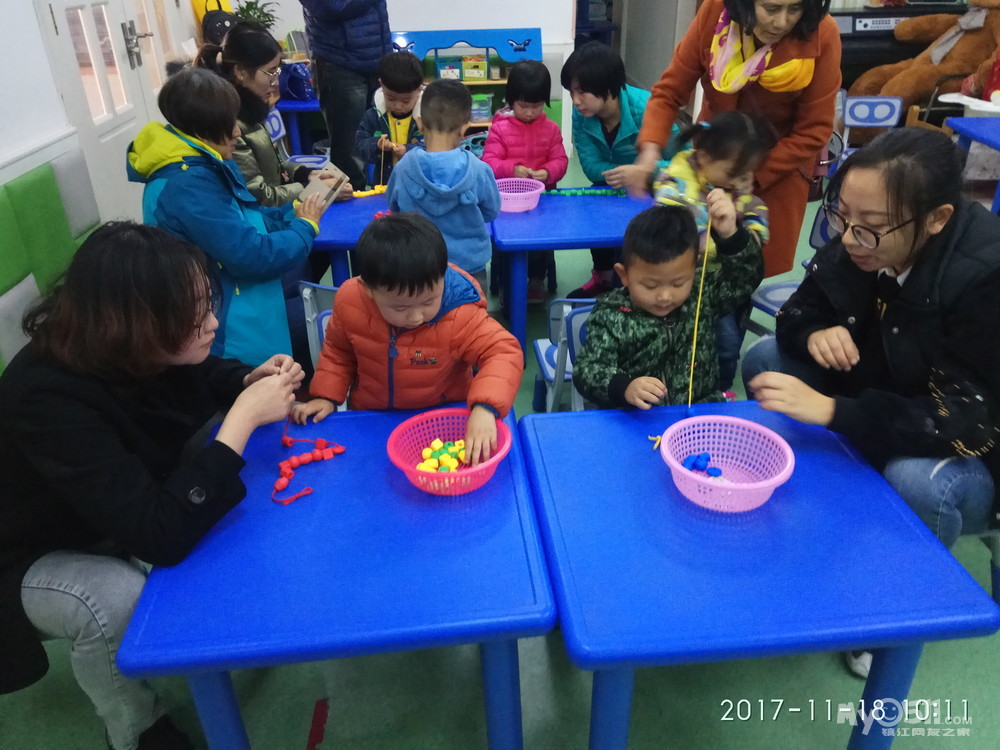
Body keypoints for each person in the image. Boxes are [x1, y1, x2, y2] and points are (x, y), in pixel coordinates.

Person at [0, 222, 302, 750]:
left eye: (207, 305)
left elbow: (193, 374)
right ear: (137, 323)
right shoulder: (44, 397)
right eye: (195, 316)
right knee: (112, 598)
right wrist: (241, 420)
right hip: (24, 552)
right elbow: (157, 535)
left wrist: (244, 381)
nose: (213, 323)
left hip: (100, 514)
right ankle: (137, 730)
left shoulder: (123, 343)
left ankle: (219, 630)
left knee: (217, 486)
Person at [741, 129, 1000, 678]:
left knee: (916, 481)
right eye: (841, 215)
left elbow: (963, 420)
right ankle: (812, 523)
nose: (850, 237)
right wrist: (814, 332)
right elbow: (796, 311)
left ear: (937, 218)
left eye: (870, 226)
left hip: (975, 448)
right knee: (768, 360)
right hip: (888, 399)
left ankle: (891, 617)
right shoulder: (863, 234)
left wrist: (835, 411)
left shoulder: (985, 278)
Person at [127, 66, 328, 368]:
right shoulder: (188, 185)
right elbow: (252, 257)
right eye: (229, 123)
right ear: (203, 128)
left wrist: (296, 208)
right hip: (222, 326)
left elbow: (248, 217)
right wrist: (305, 226)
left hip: (233, 301)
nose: (237, 131)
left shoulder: (203, 161)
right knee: (334, 314)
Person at [292, 213, 523, 464]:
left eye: (428, 302)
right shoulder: (350, 301)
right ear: (369, 290)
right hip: (373, 421)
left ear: (442, 279)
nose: (416, 317)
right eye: (400, 308)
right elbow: (339, 352)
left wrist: (485, 408)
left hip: (443, 423)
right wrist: (326, 396)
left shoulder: (459, 313)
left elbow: (502, 351)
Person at [634, 0, 841, 278]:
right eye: (771, 9)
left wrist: (744, 174)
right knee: (685, 260)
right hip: (713, 160)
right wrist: (649, 152)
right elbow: (669, 92)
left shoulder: (822, 32)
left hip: (775, 169)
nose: (782, 22)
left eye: (795, 9)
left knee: (744, 268)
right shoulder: (714, 12)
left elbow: (814, 130)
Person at [573, 203, 763, 410]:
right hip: (639, 417)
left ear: (694, 268)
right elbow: (588, 369)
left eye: (678, 283)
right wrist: (624, 387)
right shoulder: (611, 315)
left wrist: (731, 236)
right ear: (624, 275)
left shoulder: (703, 294)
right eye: (650, 285)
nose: (665, 296)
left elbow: (745, 278)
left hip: (699, 412)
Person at [652, 111, 772, 392]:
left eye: (747, 174)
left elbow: (755, 227)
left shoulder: (738, 188)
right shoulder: (674, 183)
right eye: (733, 173)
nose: (740, 181)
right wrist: (717, 236)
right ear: (704, 156)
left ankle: (721, 391)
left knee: (727, 345)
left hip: (725, 287)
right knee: (678, 344)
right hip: (683, 287)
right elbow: (675, 232)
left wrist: (745, 235)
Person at [559, 41, 678, 298]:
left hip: (653, 188)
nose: (575, 101)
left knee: (637, 237)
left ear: (606, 85)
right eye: (571, 92)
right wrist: (625, 173)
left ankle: (633, 284)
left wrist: (643, 172)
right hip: (610, 185)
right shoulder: (582, 115)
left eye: (582, 92)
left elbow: (683, 162)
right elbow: (590, 166)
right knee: (594, 203)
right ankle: (602, 277)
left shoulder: (648, 109)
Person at [195, 21, 351, 207]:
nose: (276, 82)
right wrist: (314, 189)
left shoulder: (252, 110)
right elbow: (258, 197)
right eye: (270, 72)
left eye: (278, 71)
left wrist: (307, 174)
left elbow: (274, 169)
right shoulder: (229, 125)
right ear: (240, 72)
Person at [385, 79, 501, 291]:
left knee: (424, 312)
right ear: (464, 128)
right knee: (471, 312)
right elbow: (491, 211)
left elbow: (394, 209)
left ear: (420, 123)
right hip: (470, 267)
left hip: (418, 269)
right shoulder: (478, 169)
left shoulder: (403, 168)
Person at [482, 60, 568, 304]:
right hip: (508, 203)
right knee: (505, 242)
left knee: (541, 241)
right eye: (523, 106)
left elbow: (561, 160)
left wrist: (548, 173)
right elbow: (488, 162)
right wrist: (512, 169)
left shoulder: (551, 129)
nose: (530, 112)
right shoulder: (499, 129)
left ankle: (537, 279)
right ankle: (507, 279)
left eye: (536, 106)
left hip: (542, 201)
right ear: (511, 101)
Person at [299, 0, 392, 188]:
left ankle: (374, 200)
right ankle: (350, 202)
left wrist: (388, 60)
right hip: (339, 63)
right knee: (348, 156)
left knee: (378, 142)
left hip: (375, 62)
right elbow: (331, 6)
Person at [355, 50, 425, 187]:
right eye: (391, 98)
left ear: (419, 89)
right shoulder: (374, 115)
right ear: (381, 85)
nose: (398, 106)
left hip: (419, 186)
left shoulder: (427, 115)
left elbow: (437, 148)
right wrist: (377, 146)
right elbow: (359, 146)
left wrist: (408, 150)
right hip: (386, 186)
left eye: (406, 101)